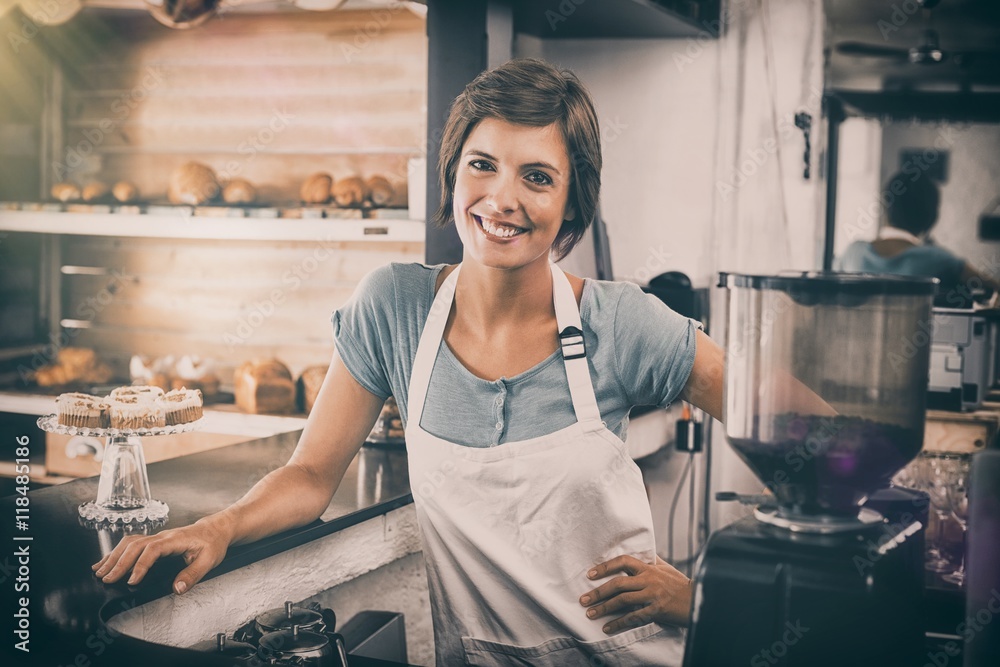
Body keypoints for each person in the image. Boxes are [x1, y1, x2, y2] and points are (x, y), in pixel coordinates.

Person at [92, 58, 726, 666]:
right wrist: (221, 527)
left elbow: (796, 437)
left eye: (537, 176)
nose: (502, 198)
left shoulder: (622, 323)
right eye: (483, 165)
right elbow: (312, 475)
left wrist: (701, 598)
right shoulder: (394, 306)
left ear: (573, 200)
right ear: (452, 174)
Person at [835, 170, 1000, 306]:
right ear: (932, 217)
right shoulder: (938, 259)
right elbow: (993, 287)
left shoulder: (853, 252)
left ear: (886, 207)